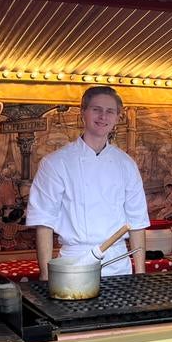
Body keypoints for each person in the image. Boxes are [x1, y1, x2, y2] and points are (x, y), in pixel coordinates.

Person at [27, 86, 149, 278]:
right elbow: (44, 222)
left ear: (118, 117)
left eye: (110, 111)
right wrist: (46, 275)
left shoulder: (126, 164)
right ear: (83, 112)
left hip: (118, 265)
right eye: (96, 109)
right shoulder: (55, 162)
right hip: (74, 263)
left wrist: (140, 274)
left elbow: (137, 222)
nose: (103, 116)